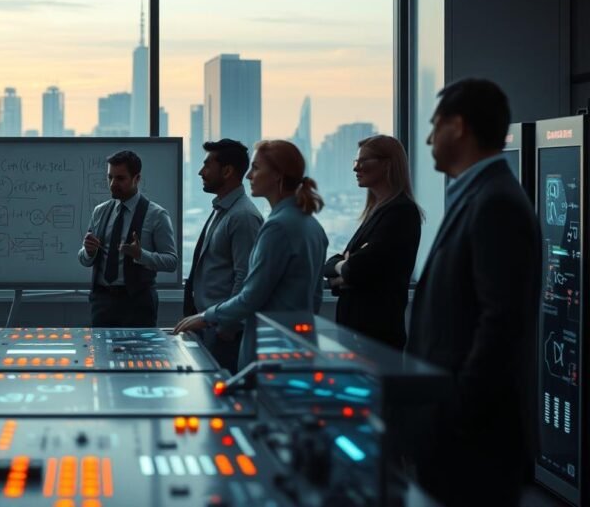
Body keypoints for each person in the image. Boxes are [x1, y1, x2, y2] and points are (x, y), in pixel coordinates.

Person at [404, 78, 539, 506]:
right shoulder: (479, 194)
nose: (428, 138)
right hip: (450, 427)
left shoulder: (495, 201)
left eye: (435, 125)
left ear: (458, 126)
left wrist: (458, 410)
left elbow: (501, 323)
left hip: (469, 436)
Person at [174, 140, 328, 371]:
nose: (248, 176)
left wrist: (208, 316)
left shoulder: (277, 226)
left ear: (277, 175)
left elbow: (251, 294)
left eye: (256, 168)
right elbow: (315, 298)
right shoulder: (311, 224)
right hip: (294, 343)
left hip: (269, 347)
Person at [323, 135, 422, 349]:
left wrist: (346, 269)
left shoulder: (401, 212)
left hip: (375, 336)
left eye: (363, 161)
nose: (355, 169)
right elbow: (331, 265)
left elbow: (358, 269)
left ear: (387, 164)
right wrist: (344, 268)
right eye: (355, 162)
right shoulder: (377, 211)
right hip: (358, 333)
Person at [183, 139, 263, 373]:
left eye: (207, 165)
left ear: (227, 171)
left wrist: (226, 326)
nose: (200, 172)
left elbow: (245, 276)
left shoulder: (243, 216)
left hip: (223, 333)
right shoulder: (224, 210)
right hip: (210, 327)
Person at [79, 150, 177, 327]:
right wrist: (88, 251)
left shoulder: (156, 215)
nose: (112, 184)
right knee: (101, 353)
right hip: (102, 301)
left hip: (138, 304)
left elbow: (171, 261)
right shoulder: (100, 212)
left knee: (139, 354)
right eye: (110, 177)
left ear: (137, 178)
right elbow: (85, 259)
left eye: (120, 178)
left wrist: (141, 255)